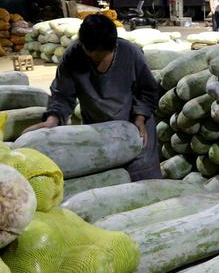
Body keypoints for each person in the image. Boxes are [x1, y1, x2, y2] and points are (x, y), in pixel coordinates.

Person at [22, 14, 161, 180]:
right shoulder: (72, 57)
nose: (98, 60)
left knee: (142, 182)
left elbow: (147, 90)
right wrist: (53, 119)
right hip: (98, 131)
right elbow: (62, 95)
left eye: (104, 55)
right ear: (82, 45)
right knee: (109, 184)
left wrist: (140, 118)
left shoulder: (131, 53)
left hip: (135, 128)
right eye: (92, 55)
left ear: (114, 45)